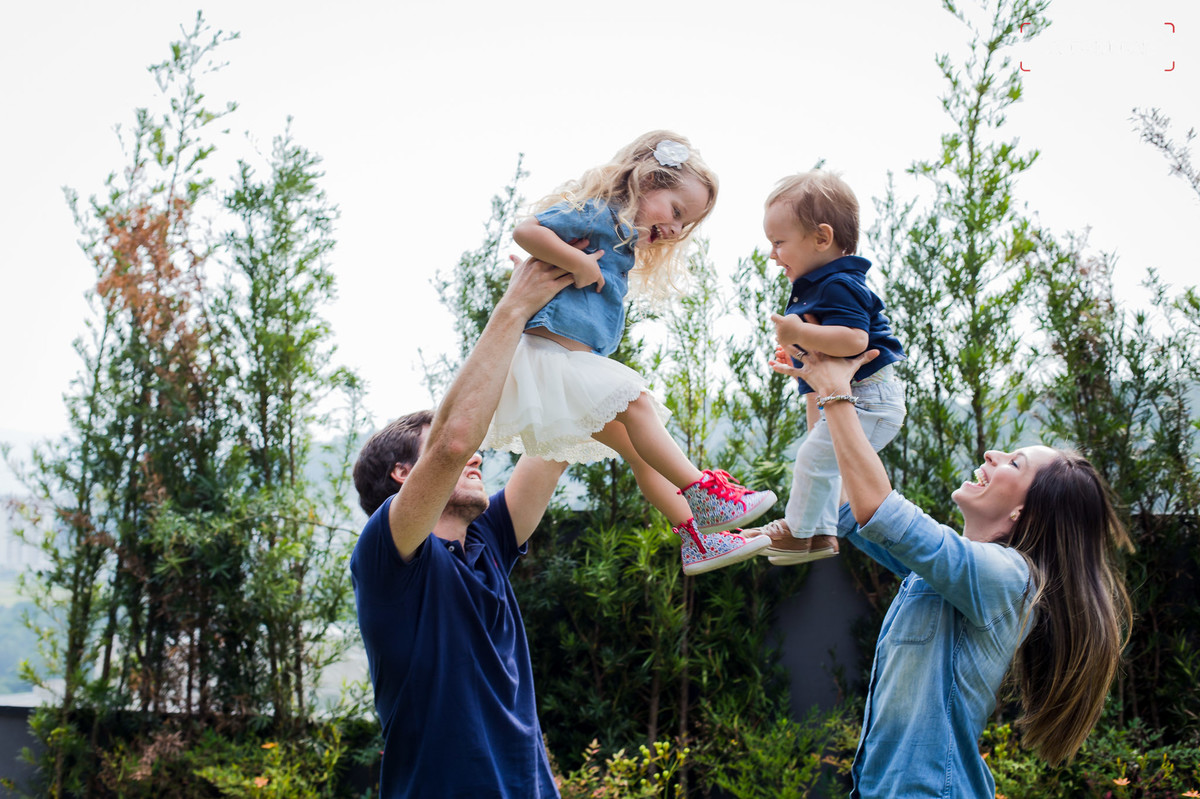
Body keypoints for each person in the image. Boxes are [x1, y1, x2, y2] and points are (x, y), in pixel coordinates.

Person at [769, 347, 1133, 798]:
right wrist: (814, 381)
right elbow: (842, 501)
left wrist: (837, 392)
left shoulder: (1009, 580)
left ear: (1024, 512)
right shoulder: (952, 575)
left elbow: (880, 510)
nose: (993, 454)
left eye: (1014, 463)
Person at [482, 130, 774, 575]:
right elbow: (527, 231)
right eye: (676, 212)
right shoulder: (596, 213)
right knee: (638, 406)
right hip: (548, 358)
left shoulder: (623, 243)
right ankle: (706, 492)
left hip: (571, 365)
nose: (674, 229)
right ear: (647, 180)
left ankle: (698, 540)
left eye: (684, 225)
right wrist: (577, 262)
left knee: (642, 451)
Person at [350, 254, 575, 798]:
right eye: (454, 452)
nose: (476, 456)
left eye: (478, 451)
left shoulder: (488, 540)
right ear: (404, 474)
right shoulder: (388, 556)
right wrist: (515, 304)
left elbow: (563, 432)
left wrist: (582, 304)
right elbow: (454, 442)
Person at [742, 170, 906, 565]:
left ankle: (797, 532)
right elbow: (831, 345)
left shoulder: (839, 284)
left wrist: (802, 332)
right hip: (856, 398)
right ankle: (820, 534)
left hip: (869, 400)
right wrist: (800, 349)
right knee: (823, 464)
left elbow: (855, 340)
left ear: (821, 238)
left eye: (778, 242)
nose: (772, 254)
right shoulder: (820, 286)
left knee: (814, 460)